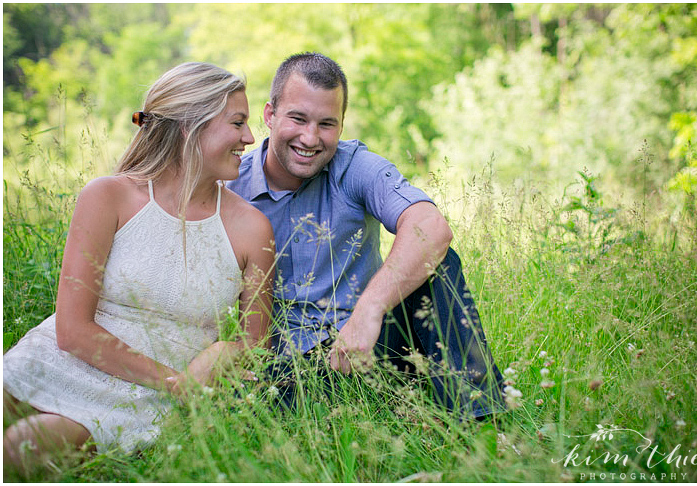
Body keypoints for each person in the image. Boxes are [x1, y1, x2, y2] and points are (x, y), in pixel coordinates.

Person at [3, 62, 275, 475]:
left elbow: (257, 348)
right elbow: (72, 329)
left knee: (24, 447)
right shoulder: (108, 196)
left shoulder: (251, 227)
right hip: (64, 361)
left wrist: (224, 351)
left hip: (145, 399)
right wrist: (176, 382)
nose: (250, 138)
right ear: (190, 128)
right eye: (237, 123)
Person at [228, 52, 504, 420]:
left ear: (341, 127)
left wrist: (368, 311)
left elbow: (431, 227)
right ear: (269, 115)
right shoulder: (229, 184)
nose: (310, 138)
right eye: (298, 118)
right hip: (288, 369)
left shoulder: (354, 166)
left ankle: (482, 420)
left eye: (326, 123)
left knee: (437, 261)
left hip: (372, 346)